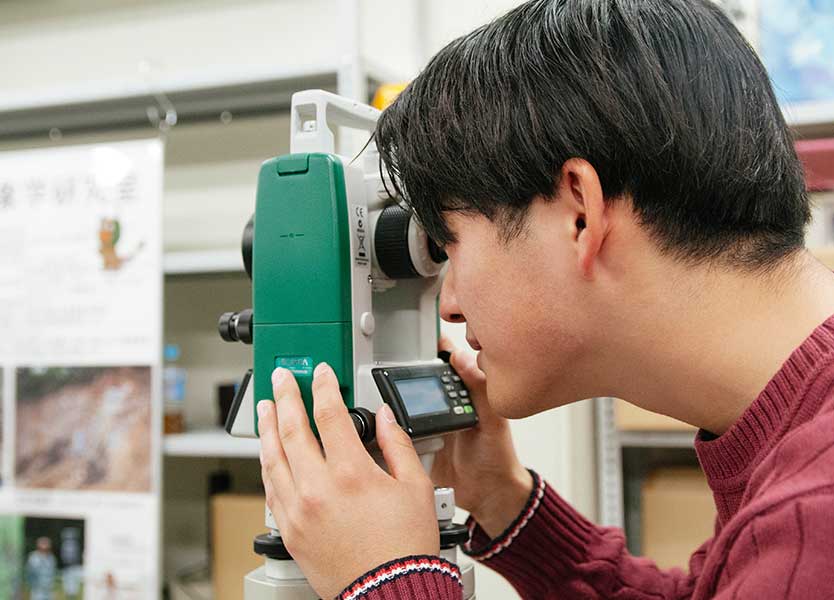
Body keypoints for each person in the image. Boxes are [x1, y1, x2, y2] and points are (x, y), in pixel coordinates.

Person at [256, 0, 834, 598]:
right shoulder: (797, 462)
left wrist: (389, 582)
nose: (449, 304)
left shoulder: (816, 513)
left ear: (579, 214)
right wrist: (504, 501)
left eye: (451, 245)